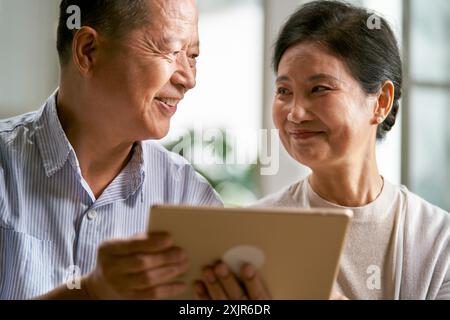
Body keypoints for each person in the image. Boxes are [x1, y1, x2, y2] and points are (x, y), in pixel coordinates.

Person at [195, 0, 450, 300]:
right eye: (284, 91)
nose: (295, 113)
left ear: (381, 101)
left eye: (320, 89)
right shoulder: (250, 234)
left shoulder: (437, 241)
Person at [0, 0, 223, 300]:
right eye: (170, 51)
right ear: (88, 51)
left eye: (192, 55)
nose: (188, 78)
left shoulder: (191, 198)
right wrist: (90, 293)